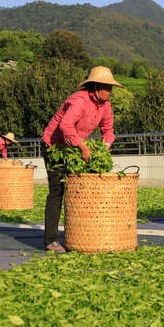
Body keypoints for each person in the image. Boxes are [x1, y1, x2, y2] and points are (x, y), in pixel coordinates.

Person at [40, 66, 123, 253]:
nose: (109, 91)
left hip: (75, 147)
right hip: (54, 146)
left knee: (78, 190)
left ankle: (78, 235)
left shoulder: (105, 105)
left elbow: (108, 131)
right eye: (105, 87)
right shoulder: (80, 100)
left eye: (111, 88)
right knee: (57, 191)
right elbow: (66, 125)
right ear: (94, 86)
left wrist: (104, 148)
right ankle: (51, 240)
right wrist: (83, 146)